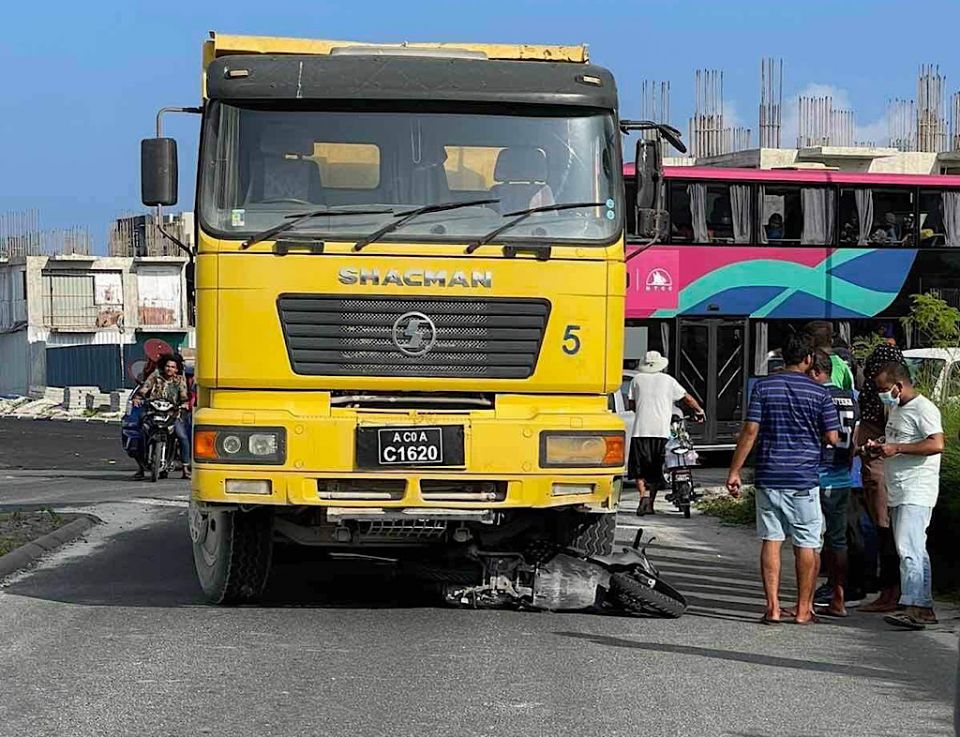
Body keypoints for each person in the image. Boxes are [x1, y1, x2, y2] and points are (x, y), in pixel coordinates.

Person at [726, 335, 840, 625]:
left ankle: (773, 608)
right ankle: (803, 610)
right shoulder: (820, 393)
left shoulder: (763, 387)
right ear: (808, 360)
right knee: (805, 543)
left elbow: (750, 430)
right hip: (803, 478)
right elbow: (832, 437)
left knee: (771, 539)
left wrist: (735, 470)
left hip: (768, 475)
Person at [865, 362, 944, 630]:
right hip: (899, 488)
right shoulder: (898, 408)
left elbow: (936, 443)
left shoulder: (923, 408)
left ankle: (915, 606)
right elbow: (897, 443)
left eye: (884, 389)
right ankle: (921, 605)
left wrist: (897, 447)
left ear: (899, 386)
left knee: (909, 548)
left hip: (916, 489)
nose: (881, 394)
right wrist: (879, 447)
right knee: (912, 548)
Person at [808, 350, 860, 617]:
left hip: (818, 473)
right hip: (842, 474)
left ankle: (805, 603)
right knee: (838, 540)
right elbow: (856, 439)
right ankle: (838, 597)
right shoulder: (851, 397)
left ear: (816, 371)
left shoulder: (818, 396)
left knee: (811, 540)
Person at [858, 342, 906, 613]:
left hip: (881, 470)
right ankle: (888, 591)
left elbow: (891, 434)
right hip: (874, 468)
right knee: (883, 531)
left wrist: (872, 446)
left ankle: (891, 592)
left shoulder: (888, 396)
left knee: (885, 531)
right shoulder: (875, 392)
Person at [627, 350, 704, 516]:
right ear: (661, 365)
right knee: (655, 468)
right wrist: (699, 410)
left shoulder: (637, 380)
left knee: (639, 468)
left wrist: (641, 411)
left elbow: (631, 404)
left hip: (640, 431)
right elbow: (687, 398)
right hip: (662, 432)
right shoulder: (668, 380)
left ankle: (643, 496)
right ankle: (650, 504)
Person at [132, 354, 191, 480]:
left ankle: (185, 468)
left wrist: (185, 403)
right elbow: (145, 387)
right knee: (140, 434)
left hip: (171, 414)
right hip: (153, 412)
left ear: (176, 369)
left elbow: (184, 394)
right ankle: (140, 468)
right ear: (164, 367)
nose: (170, 369)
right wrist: (138, 397)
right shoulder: (156, 375)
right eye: (168, 366)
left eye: (173, 367)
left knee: (182, 436)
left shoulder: (179, 380)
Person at [802, 321, 854, 390]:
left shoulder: (808, 363)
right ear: (831, 340)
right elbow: (850, 391)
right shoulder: (842, 364)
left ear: (811, 341)